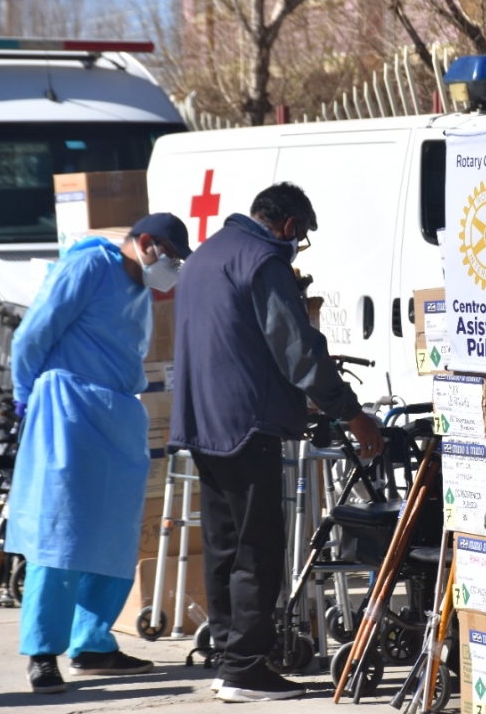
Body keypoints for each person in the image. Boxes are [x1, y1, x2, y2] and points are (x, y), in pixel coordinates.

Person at [169, 182, 383, 703]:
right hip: (247, 424)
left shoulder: (205, 255)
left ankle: (228, 658)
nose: (299, 245)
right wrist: (352, 415)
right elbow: (298, 350)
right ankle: (246, 670)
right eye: (302, 236)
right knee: (257, 547)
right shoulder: (262, 260)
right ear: (289, 226)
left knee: (223, 544)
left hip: (202, 420)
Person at [7, 213, 192, 694]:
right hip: (67, 408)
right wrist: (23, 393)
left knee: (114, 534)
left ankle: (91, 643)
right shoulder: (90, 266)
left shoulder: (139, 287)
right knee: (60, 537)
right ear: (146, 243)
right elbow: (33, 334)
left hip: (115, 415)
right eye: (169, 255)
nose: (172, 266)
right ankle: (43, 652)